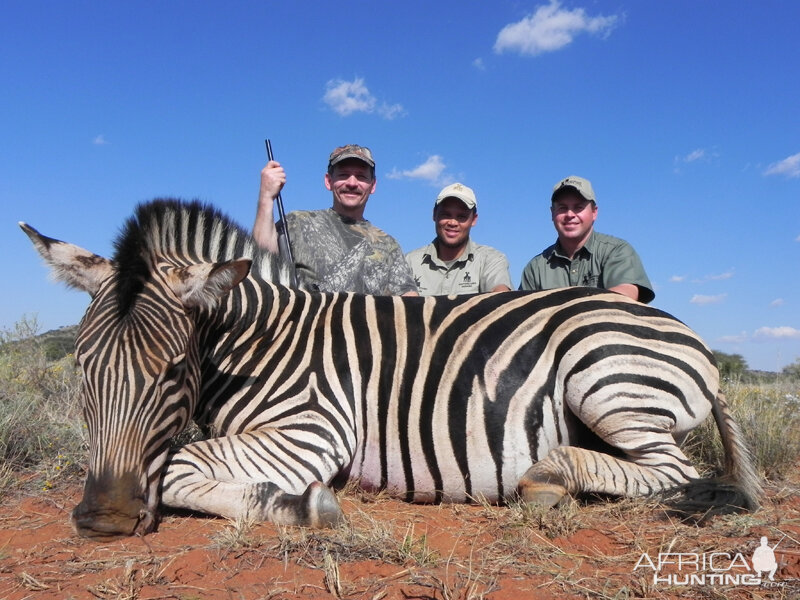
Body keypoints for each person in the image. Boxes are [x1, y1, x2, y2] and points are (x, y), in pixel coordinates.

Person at [253, 144, 418, 296]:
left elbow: (408, 299)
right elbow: (261, 260)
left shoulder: (389, 244)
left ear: (372, 185)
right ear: (329, 181)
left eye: (361, 177)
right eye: (343, 175)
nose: (352, 183)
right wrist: (266, 197)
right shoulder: (298, 222)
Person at [519, 175, 654, 303]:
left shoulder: (617, 251)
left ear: (594, 212)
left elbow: (627, 294)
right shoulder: (535, 268)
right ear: (552, 213)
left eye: (578, 207)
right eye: (562, 208)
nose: (570, 214)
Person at [406, 182, 512, 295]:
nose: (452, 222)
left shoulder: (491, 259)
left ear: (474, 220)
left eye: (461, 217)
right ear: (434, 215)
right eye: (446, 214)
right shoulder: (409, 262)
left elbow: (501, 294)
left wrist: (500, 292)